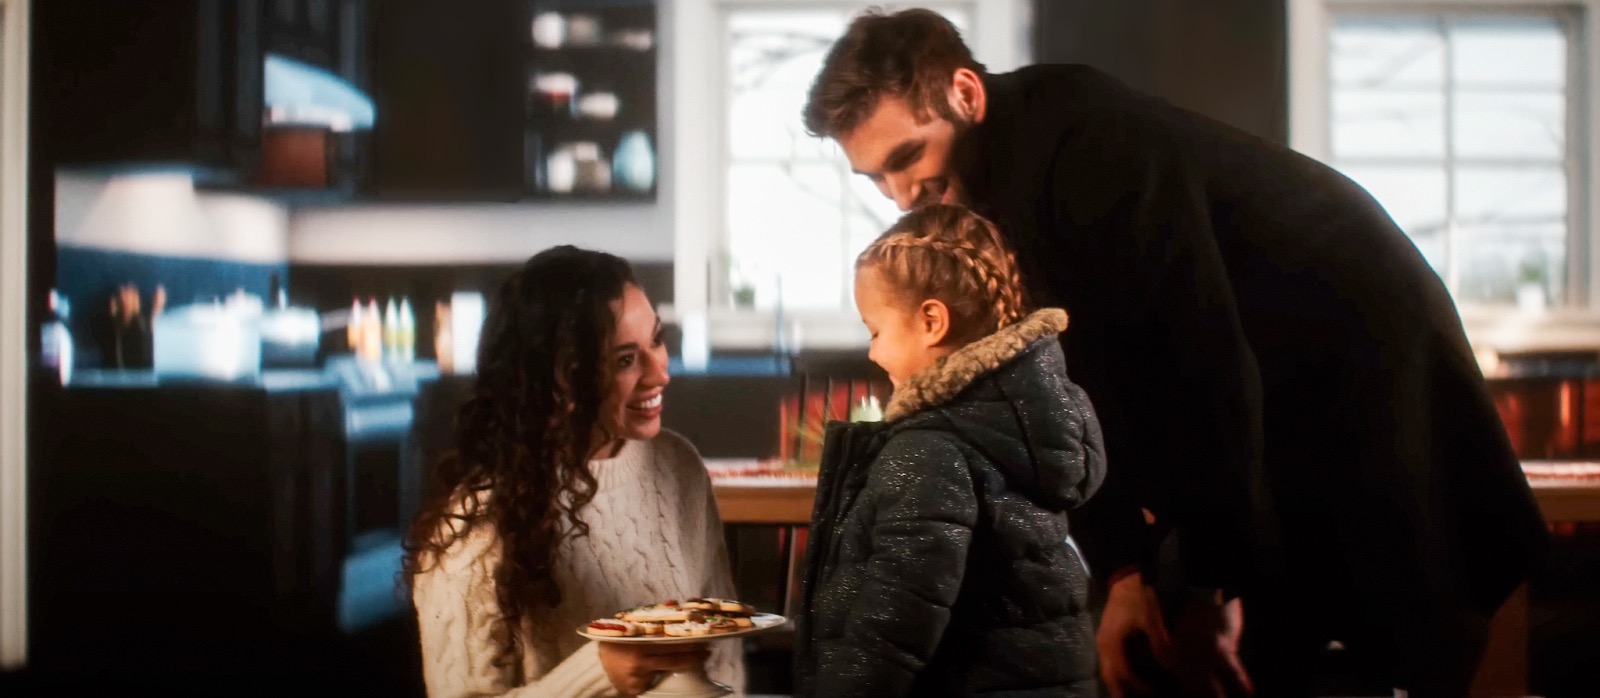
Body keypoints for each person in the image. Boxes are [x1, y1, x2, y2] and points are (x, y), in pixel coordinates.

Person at [802, 8, 1549, 698]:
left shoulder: (1088, 151)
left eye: (908, 155)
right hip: (1271, 387)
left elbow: (1201, 366)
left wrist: (1213, 583)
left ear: (965, 93)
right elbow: (1086, 388)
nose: (902, 195)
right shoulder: (1001, 178)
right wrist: (1129, 566)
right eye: (877, 177)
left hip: (1361, 359)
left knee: (1394, 618)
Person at [402, 246, 745, 697]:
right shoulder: (482, 522)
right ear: (561, 380)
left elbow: (722, 648)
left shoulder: (677, 466)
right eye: (626, 360)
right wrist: (598, 674)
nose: (660, 373)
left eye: (656, 340)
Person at [793, 203, 1107, 697]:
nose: (872, 352)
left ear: (931, 322)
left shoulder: (928, 452)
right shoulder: (1023, 432)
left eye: (876, 331)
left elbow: (892, 623)